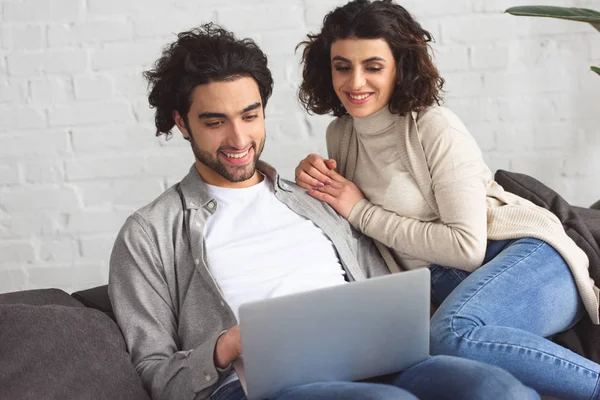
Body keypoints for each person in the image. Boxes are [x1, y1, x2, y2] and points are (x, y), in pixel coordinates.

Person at [107, 22, 538, 400]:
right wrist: (228, 344)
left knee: (494, 388)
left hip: (371, 355)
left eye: (250, 116)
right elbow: (156, 375)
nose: (239, 139)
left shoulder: (314, 199)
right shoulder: (149, 233)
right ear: (182, 123)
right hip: (269, 382)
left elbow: (384, 285)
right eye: (215, 122)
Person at [294, 0, 600, 398]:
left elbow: (466, 247)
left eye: (373, 66)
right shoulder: (341, 135)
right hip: (451, 290)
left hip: (525, 258)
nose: (355, 82)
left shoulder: (433, 127)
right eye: (342, 66)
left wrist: (360, 210)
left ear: (399, 67)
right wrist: (314, 181)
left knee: (451, 335)